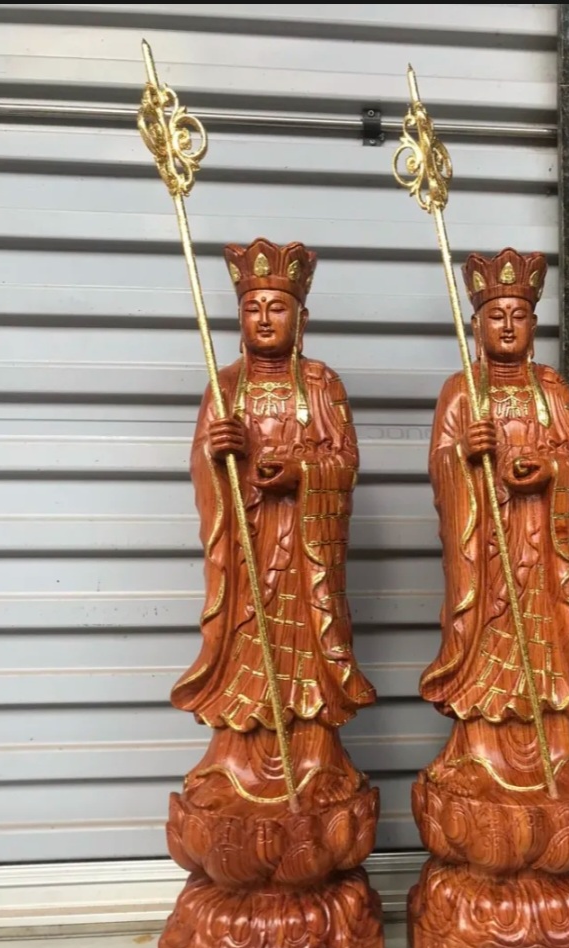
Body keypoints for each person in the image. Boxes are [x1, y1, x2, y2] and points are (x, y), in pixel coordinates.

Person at [171, 238, 375, 807]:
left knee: (306, 644)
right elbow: (202, 470)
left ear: (301, 318)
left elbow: (345, 462)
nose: (264, 318)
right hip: (248, 550)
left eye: (277, 307)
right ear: (238, 318)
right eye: (252, 307)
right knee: (244, 643)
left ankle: (314, 755)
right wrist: (218, 455)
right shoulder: (225, 387)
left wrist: (300, 473)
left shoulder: (322, 384)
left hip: (305, 556)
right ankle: (236, 760)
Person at [420, 247, 569, 797]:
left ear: (534, 323)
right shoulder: (462, 389)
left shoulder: (551, 389)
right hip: (485, 554)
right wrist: (464, 455)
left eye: (518, 315)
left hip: (538, 550)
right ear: (475, 326)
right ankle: (479, 750)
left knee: (544, 639)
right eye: (495, 315)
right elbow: (440, 465)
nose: (507, 325)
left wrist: (551, 470)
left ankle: (554, 749)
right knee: (487, 638)